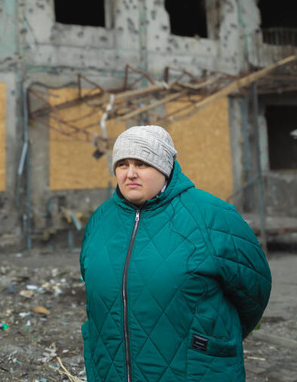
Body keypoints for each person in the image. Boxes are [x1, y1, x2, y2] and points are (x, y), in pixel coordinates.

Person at [80, 125, 272, 382]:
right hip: (110, 369)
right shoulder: (100, 221)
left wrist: (209, 339)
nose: (131, 174)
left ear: (165, 167)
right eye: (122, 164)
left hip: (193, 370)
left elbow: (254, 291)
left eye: (143, 163)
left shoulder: (211, 215)